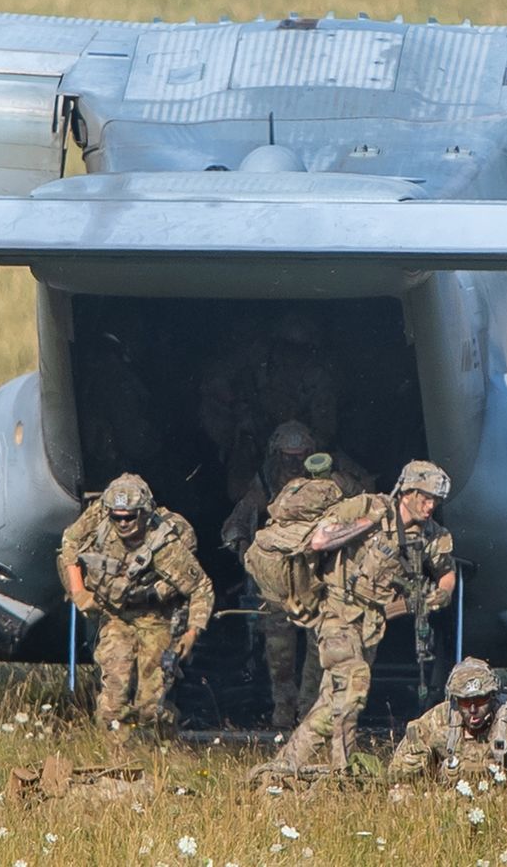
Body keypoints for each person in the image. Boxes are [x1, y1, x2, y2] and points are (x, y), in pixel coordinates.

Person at [257, 460, 456, 776]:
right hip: (337, 613)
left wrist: (441, 594)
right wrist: (364, 524)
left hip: (372, 625)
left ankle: (285, 765)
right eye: (425, 497)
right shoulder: (368, 507)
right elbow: (319, 540)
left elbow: (447, 571)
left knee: (329, 707)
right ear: (407, 491)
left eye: (435, 501)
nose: (430, 506)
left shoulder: (430, 535)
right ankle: (342, 770)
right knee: (354, 686)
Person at [220, 422, 369, 727]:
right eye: (287, 456)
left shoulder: (334, 474)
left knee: (319, 647)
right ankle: (283, 709)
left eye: (300, 456)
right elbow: (245, 508)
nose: (293, 463)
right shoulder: (267, 477)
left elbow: (366, 500)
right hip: (281, 574)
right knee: (279, 649)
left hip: (320, 573)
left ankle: (309, 711)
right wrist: (246, 547)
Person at [59, 473, 214, 734]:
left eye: (129, 517)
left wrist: (192, 633)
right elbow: (70, 544)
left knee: (150, 706)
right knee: (114, 696)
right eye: (116, 517)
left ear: (142, 513)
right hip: (114, 615)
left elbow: (201, 588)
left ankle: (160, 744)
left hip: (155, 618)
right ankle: (114, 757)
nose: (122, 523)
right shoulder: (99, 517)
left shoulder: (164, 546)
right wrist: (78, 590)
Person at [198, 311, 339, 502]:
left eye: (301, 349)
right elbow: (214, 381)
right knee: (240, 490)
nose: (293, 355)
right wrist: (237, 407)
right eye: (287, 347)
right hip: (254, 434)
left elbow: (324, 431)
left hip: (293, 449)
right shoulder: (256, 358)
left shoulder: (319, 379)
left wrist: (295, 444)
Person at [389, 657, 507, 796]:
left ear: (492, 697)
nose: (473, 709)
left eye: (480, 700)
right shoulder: (439, 718)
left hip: (500, 804)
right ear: (455, 701)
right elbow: (398, 773)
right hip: (447, 804)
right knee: (400, 793)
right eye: (464, 701)